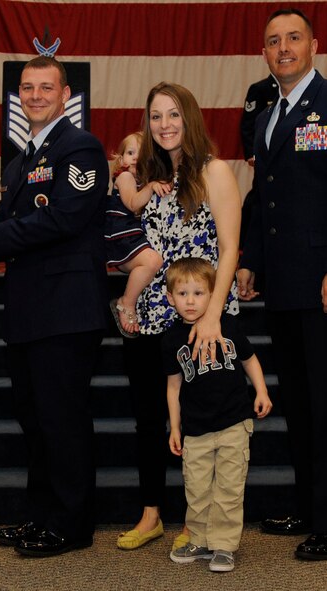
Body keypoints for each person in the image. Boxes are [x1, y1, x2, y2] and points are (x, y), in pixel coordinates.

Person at [0, 56, 109, 557]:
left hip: (66, 312)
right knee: (36, 421)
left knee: (62, 420)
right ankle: (42, 515)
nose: (34, 95)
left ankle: (70, 526)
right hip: (30, 313)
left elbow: (67, 219)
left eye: (45, 87)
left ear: (65, 93)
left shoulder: (81, 148)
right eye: (27, 88)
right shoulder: (19, 161)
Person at [238, 8, 327, 561]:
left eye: (293, 37)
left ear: (314, 44)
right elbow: (266, 197)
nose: (284, 48)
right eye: (273, 41)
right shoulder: (269, 112)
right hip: (286, 287)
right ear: (265, 52)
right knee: (299, 402)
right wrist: (253, 260)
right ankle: (309, 506)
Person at [117, 82, 242, 551]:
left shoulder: (215, 172)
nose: (164, 124)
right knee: (149, 418)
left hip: (198, 318)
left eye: (173, 115)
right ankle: (151, 514)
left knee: (200, 421)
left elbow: (229, 249)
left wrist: (211, 317)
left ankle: (199, 520)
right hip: (149, 316)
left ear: (189, 118)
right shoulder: (145, 177)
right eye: (155, 116)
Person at [164, 258, 272, 572]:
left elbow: (250, 360)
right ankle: (199, 540)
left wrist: (262, 391)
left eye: (199, 293)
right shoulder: (171, 341)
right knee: (196, 488)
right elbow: (173, 388)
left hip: (234, 422)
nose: (191, 301)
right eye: (183, 294)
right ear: (171, 298)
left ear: (214, 295)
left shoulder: (229, 326)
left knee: (228, 488)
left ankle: (224, 545)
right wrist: (175, 426)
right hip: (195, 429)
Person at [105, 131, 167, 337]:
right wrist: (151, 186)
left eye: (141, 153)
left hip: (133, 234)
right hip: (121, 234)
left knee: (152, 262)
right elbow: (133, 203)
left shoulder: (141, 180)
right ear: (121, 158)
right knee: (152, 261)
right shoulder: (124, 177)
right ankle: (126, 303)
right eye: (130, 152)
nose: (135, 157)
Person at [239, 74, 278, 247]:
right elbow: (248, 125)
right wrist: (252, 154)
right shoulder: (260, 89)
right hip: (266, 159)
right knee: (259, 197)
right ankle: (248, 242)